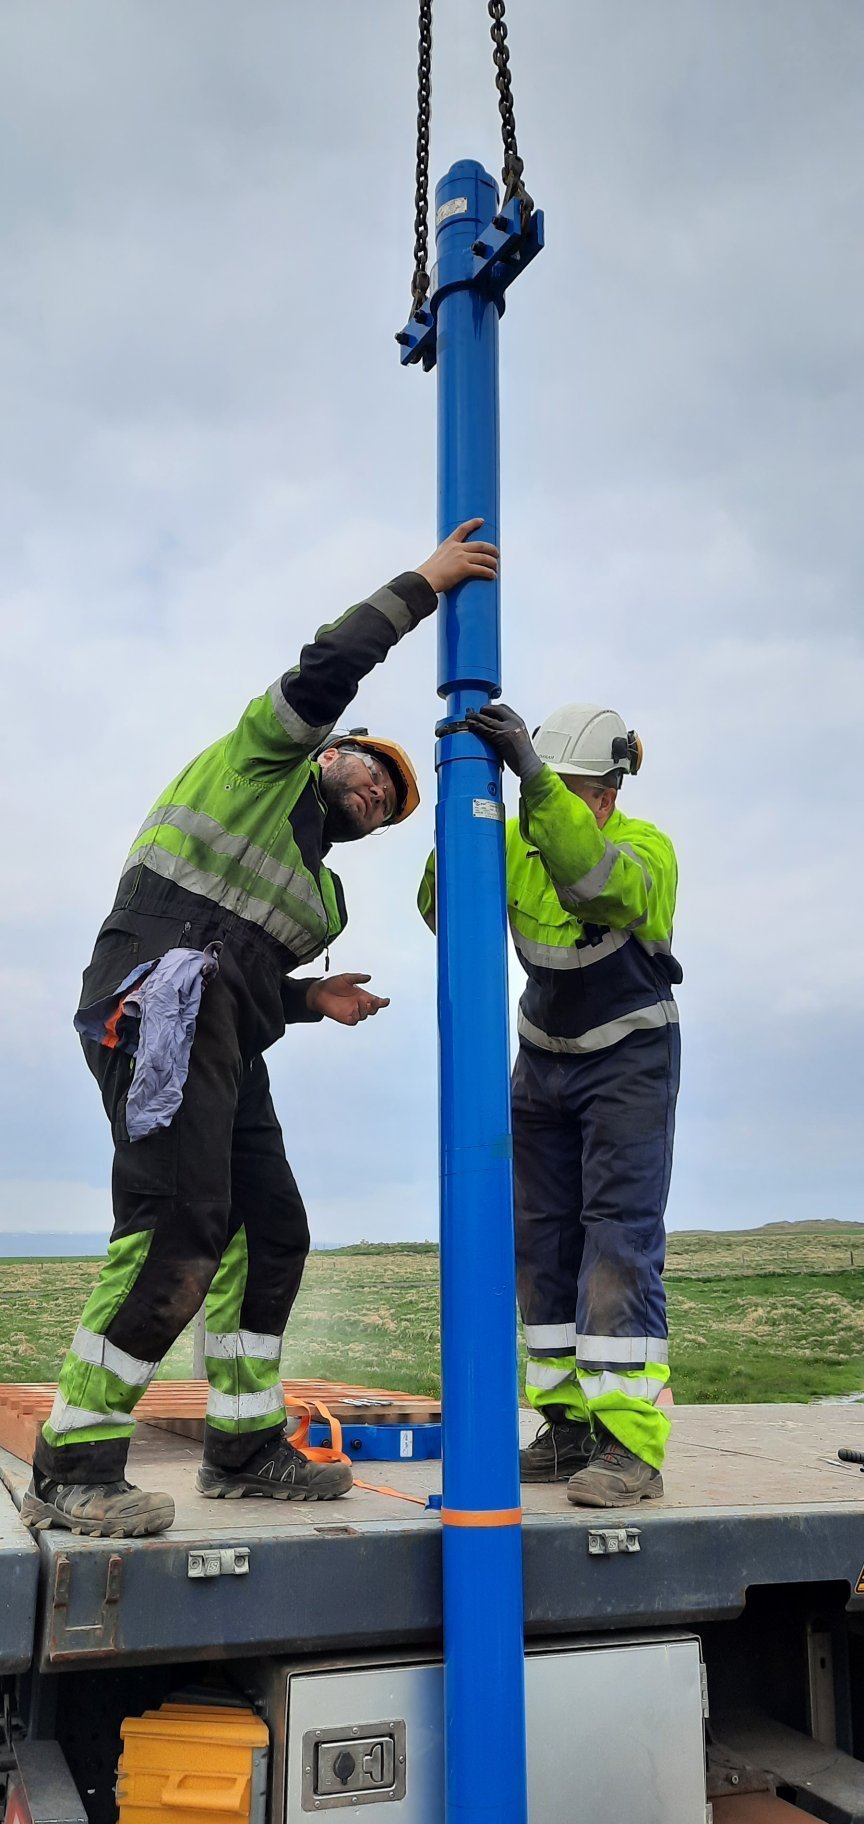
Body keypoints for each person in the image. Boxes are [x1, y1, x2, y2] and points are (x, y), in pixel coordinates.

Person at [23, 520, 498, 1540]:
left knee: (270, 1231)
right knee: (176, 1226)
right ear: (331, 750)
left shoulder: (323, 901)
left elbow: (248, 985)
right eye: (371, 770)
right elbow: (330, 664)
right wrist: (426, 583)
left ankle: (242, 1448)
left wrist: (309, 1000)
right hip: (153, 1004)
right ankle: (72, 1465)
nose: (377, 792)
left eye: (389, 804)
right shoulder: (260, 765)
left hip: (226, 1036)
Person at [419, 699, 681, 1507]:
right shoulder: (511, 842)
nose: (566, 802)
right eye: (556, 786)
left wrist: (531, 777)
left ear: (609, 795)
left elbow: (594, 883)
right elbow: (441, 910)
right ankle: (566, 1428)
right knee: (540, 1244)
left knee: (617, 1241)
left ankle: (629, 1446)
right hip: (542, 1061)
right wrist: (463, 806)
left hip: (629, 1060)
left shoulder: (645, 849)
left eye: (579, 790)